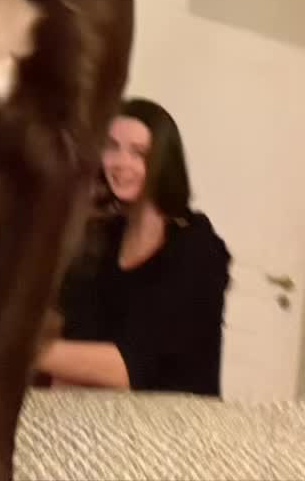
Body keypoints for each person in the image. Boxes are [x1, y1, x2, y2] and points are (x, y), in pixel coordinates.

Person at [37, 98, 231, 396]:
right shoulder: (104, 236)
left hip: (174, 417)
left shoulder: (197, 248)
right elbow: (75, 335)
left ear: (164, 163)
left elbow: (132, 368)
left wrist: (21, 351)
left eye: (139, 153)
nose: (120, 162)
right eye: (112, 147)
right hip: (100, 411)